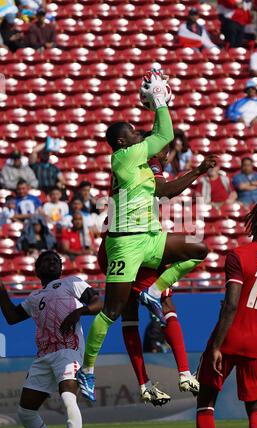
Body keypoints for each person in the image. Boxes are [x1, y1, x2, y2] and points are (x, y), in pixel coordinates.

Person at [75, 72, 216, 401]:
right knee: (112, 311)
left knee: (199, 248)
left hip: (149, 239)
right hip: (125, 242)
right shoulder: (124, 158)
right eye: (133, 133)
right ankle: (88, 369)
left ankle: (153, 294)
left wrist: (195, 171)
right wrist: (159, 101)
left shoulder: (141, 168)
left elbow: (165, 190)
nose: (139, 135)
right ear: (123, 143)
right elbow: (164, 132)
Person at [196, 200, 257, 428]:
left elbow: (231, 305)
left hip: (229, 337)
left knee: (206, 403)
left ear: (253, 222)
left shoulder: (238, 255)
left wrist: (216, 346)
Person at [0, 250, 102, 428]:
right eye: (46, 260)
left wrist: (79, 312)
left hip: (68, 350)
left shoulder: (71, 282)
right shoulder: (34, 297)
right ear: (37, 271)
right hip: (43, 356)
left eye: (56, 260)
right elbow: (12, 317)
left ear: (62, 268)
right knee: (25, 412)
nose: (52, 262)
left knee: (68, 398)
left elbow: (98, 303)